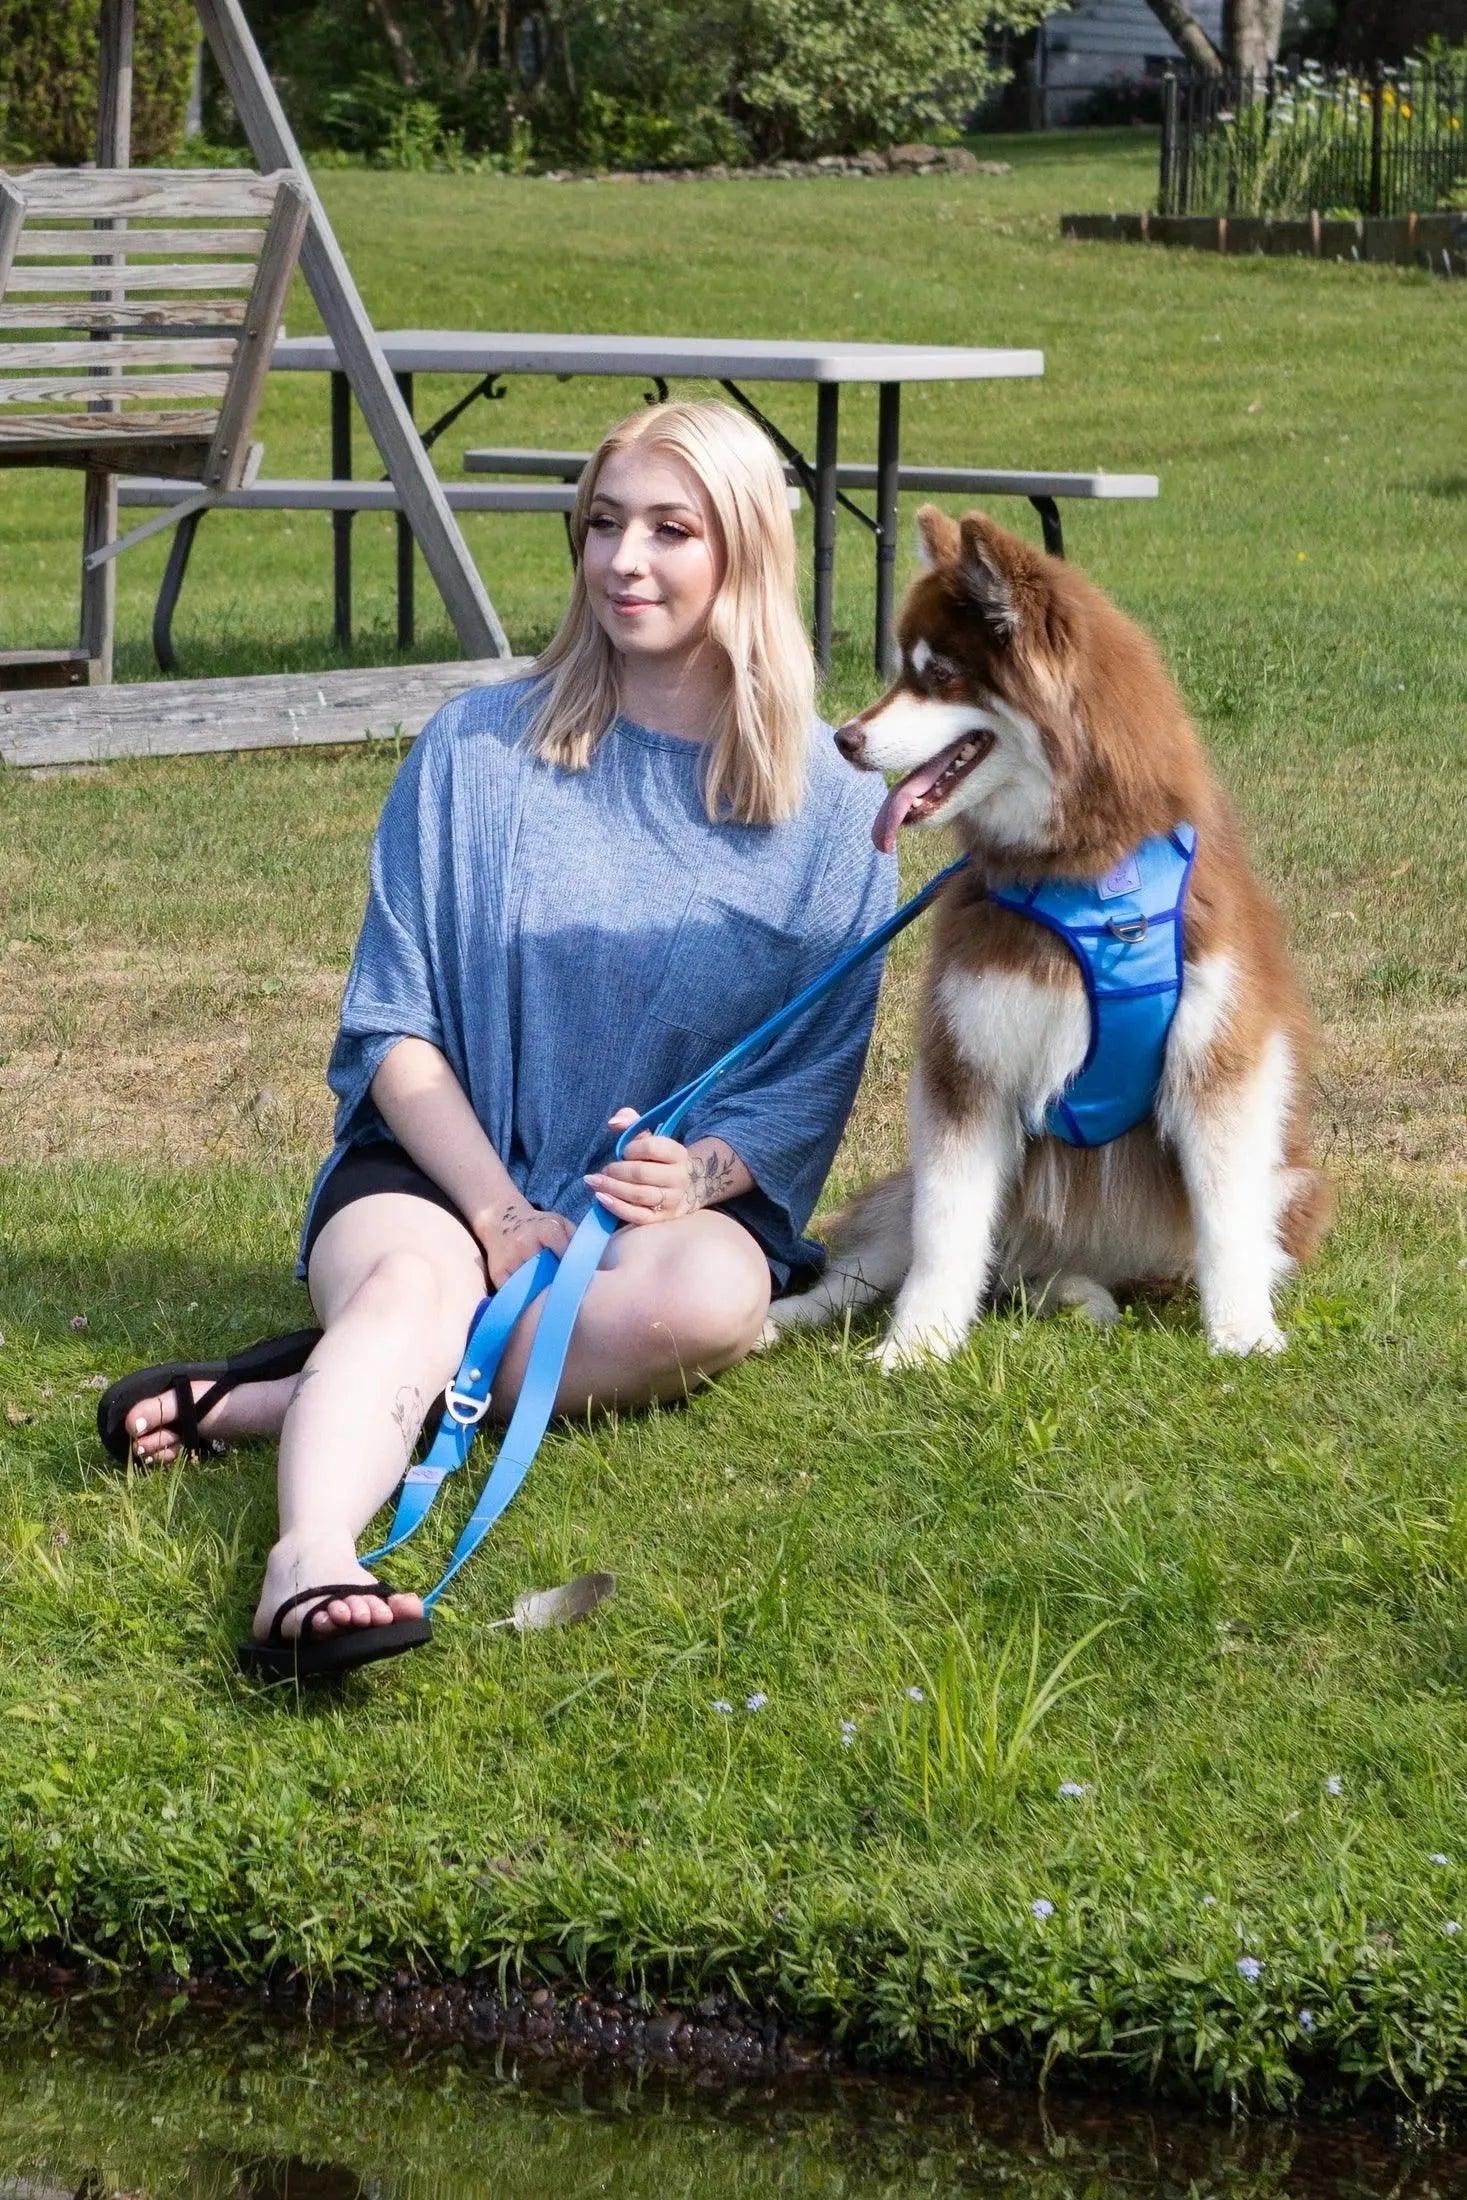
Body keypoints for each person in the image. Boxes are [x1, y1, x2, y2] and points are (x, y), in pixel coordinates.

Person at [98, 398, 895, 1676]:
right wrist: (496, 1214)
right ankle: (309, 1563)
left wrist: (697, 1175)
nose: (623, 560)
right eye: (603, 523)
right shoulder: (473, 751)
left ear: (747, 550)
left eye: (671, 530)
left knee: (713, 1302)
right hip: (436, 1172)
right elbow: (393, 1030)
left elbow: (809, 1083)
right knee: (418, 1283)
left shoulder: (839, 808)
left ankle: (313, 1389)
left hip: (644, 1226)